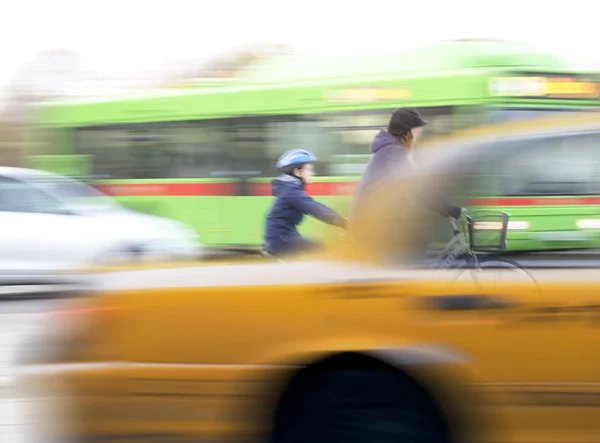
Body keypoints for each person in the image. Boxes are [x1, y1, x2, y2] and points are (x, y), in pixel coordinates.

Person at [350, 107, 462, 222]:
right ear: (407, 133)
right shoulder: (392, 152)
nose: (418, 135)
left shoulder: (390, 150)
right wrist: (447, 208)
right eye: (416, 131)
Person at [263, 149, 347, 256]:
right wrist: (342, 222)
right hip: (281, 239)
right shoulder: (291, 191)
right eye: (309, 170)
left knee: (314, 248)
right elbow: (315, 208)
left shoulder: (290, 188)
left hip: (282, 236)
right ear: (297, 172)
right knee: (318, 247)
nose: (313, 173)